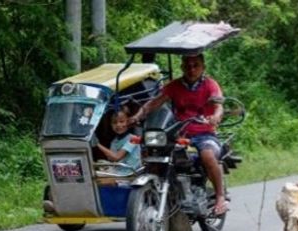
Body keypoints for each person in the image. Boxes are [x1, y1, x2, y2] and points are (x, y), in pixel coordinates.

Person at [130, 53, 227, 215]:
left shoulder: (210, 85)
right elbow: (154, 103)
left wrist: (216, 116)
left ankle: (220, 196)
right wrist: (138, 116)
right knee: (154, 154)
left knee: (208, 156)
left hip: (205, 134)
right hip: (179, 134)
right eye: (188, 66)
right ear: (182, 67)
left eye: (195, 65)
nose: (191, 69)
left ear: (203, 67)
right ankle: (161, 195)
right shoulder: (174, 86)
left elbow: (219, 105)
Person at [95, 107, 141, 174]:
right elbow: (111, 158)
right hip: (118, 172)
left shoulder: (135, 139)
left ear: (127, 122)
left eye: (122, 121)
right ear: (111, 125)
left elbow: (117, 157)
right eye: (114, 122)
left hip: (131, 174)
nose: (118, 125)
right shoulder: (114, 141)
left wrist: (97, 144)